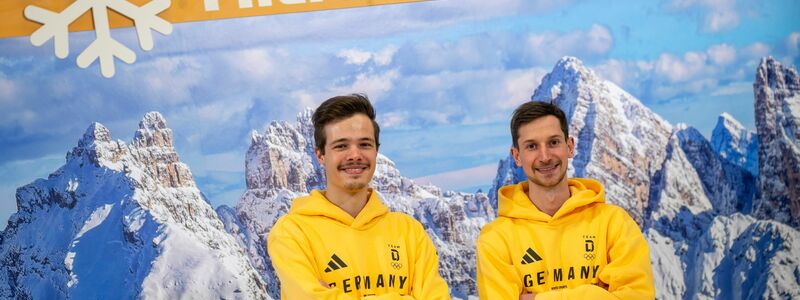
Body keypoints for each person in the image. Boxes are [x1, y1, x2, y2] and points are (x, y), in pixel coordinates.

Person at [267, 94, 451, 299]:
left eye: (364, 144)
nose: (355, 155)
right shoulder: (292, 233)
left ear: (376, 151)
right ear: (320, 155)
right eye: (341, 146)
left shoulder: (409, 232)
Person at [476, 101, 655, 300]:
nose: (544, 156)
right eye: (532, 146)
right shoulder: (496, 239)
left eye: (553, 142)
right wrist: (599, 294)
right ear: (517, 156)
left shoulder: (614, 224)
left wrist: (538, 299)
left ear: (569, 147)